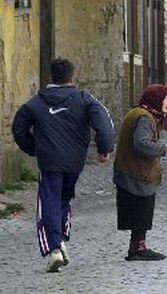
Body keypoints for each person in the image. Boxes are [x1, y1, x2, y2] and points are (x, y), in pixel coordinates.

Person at [12, 58, 115, 272]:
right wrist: (104, 148)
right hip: (74, 162)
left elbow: (18, 128)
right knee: (64, 199)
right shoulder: (84, 99)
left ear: (51, 77)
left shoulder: (35, 103)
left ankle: (54, 248)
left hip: (49, 161)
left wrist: (34, 148)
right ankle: (60, 239)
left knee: (49, 201)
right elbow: (104, 122)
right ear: (72, 77)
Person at [113, 84, 167, 261]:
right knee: (140, 210)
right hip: (135, 173)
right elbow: (141, 145)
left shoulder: (142, 113)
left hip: (133, 171)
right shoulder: (144, 117)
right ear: (157, 99)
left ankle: (137, 247)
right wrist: (164, 148)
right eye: (166, 98)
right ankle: (137, 249)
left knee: (142, 210)